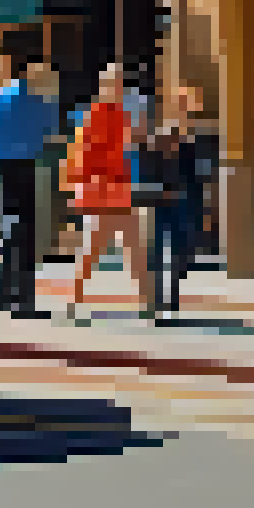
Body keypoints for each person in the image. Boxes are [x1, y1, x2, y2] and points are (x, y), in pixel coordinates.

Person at [63, 65, 153, 320]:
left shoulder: (122, 115)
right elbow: (82, 157)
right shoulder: (93, 116)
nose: (118, 88)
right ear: (103, 87)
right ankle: (74, 299)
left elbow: (130, 147)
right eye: (114, 83)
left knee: (133, 246)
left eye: (120, 83)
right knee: (94, 251)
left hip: (118, 191)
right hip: (101, 192)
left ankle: (148, 304)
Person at [0, 56, 62, 318]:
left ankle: (4, 295)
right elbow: (50, 136)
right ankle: (23, 300)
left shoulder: (1, 95)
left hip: (5, 169)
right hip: (25, 168)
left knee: (11, 232)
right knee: (27, 234)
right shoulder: (41, 101)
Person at [144, 83, 217, 315]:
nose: (185, 106)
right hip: (162, 196)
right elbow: (149, 163)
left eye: (189, 102)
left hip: (188, 199)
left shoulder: (200, 135)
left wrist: (206, 207)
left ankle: (173, 290)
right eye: (181, 101)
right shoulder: (159, 131)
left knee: (184, 249)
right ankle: (160, 299)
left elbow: (204, 174)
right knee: (158, 249)